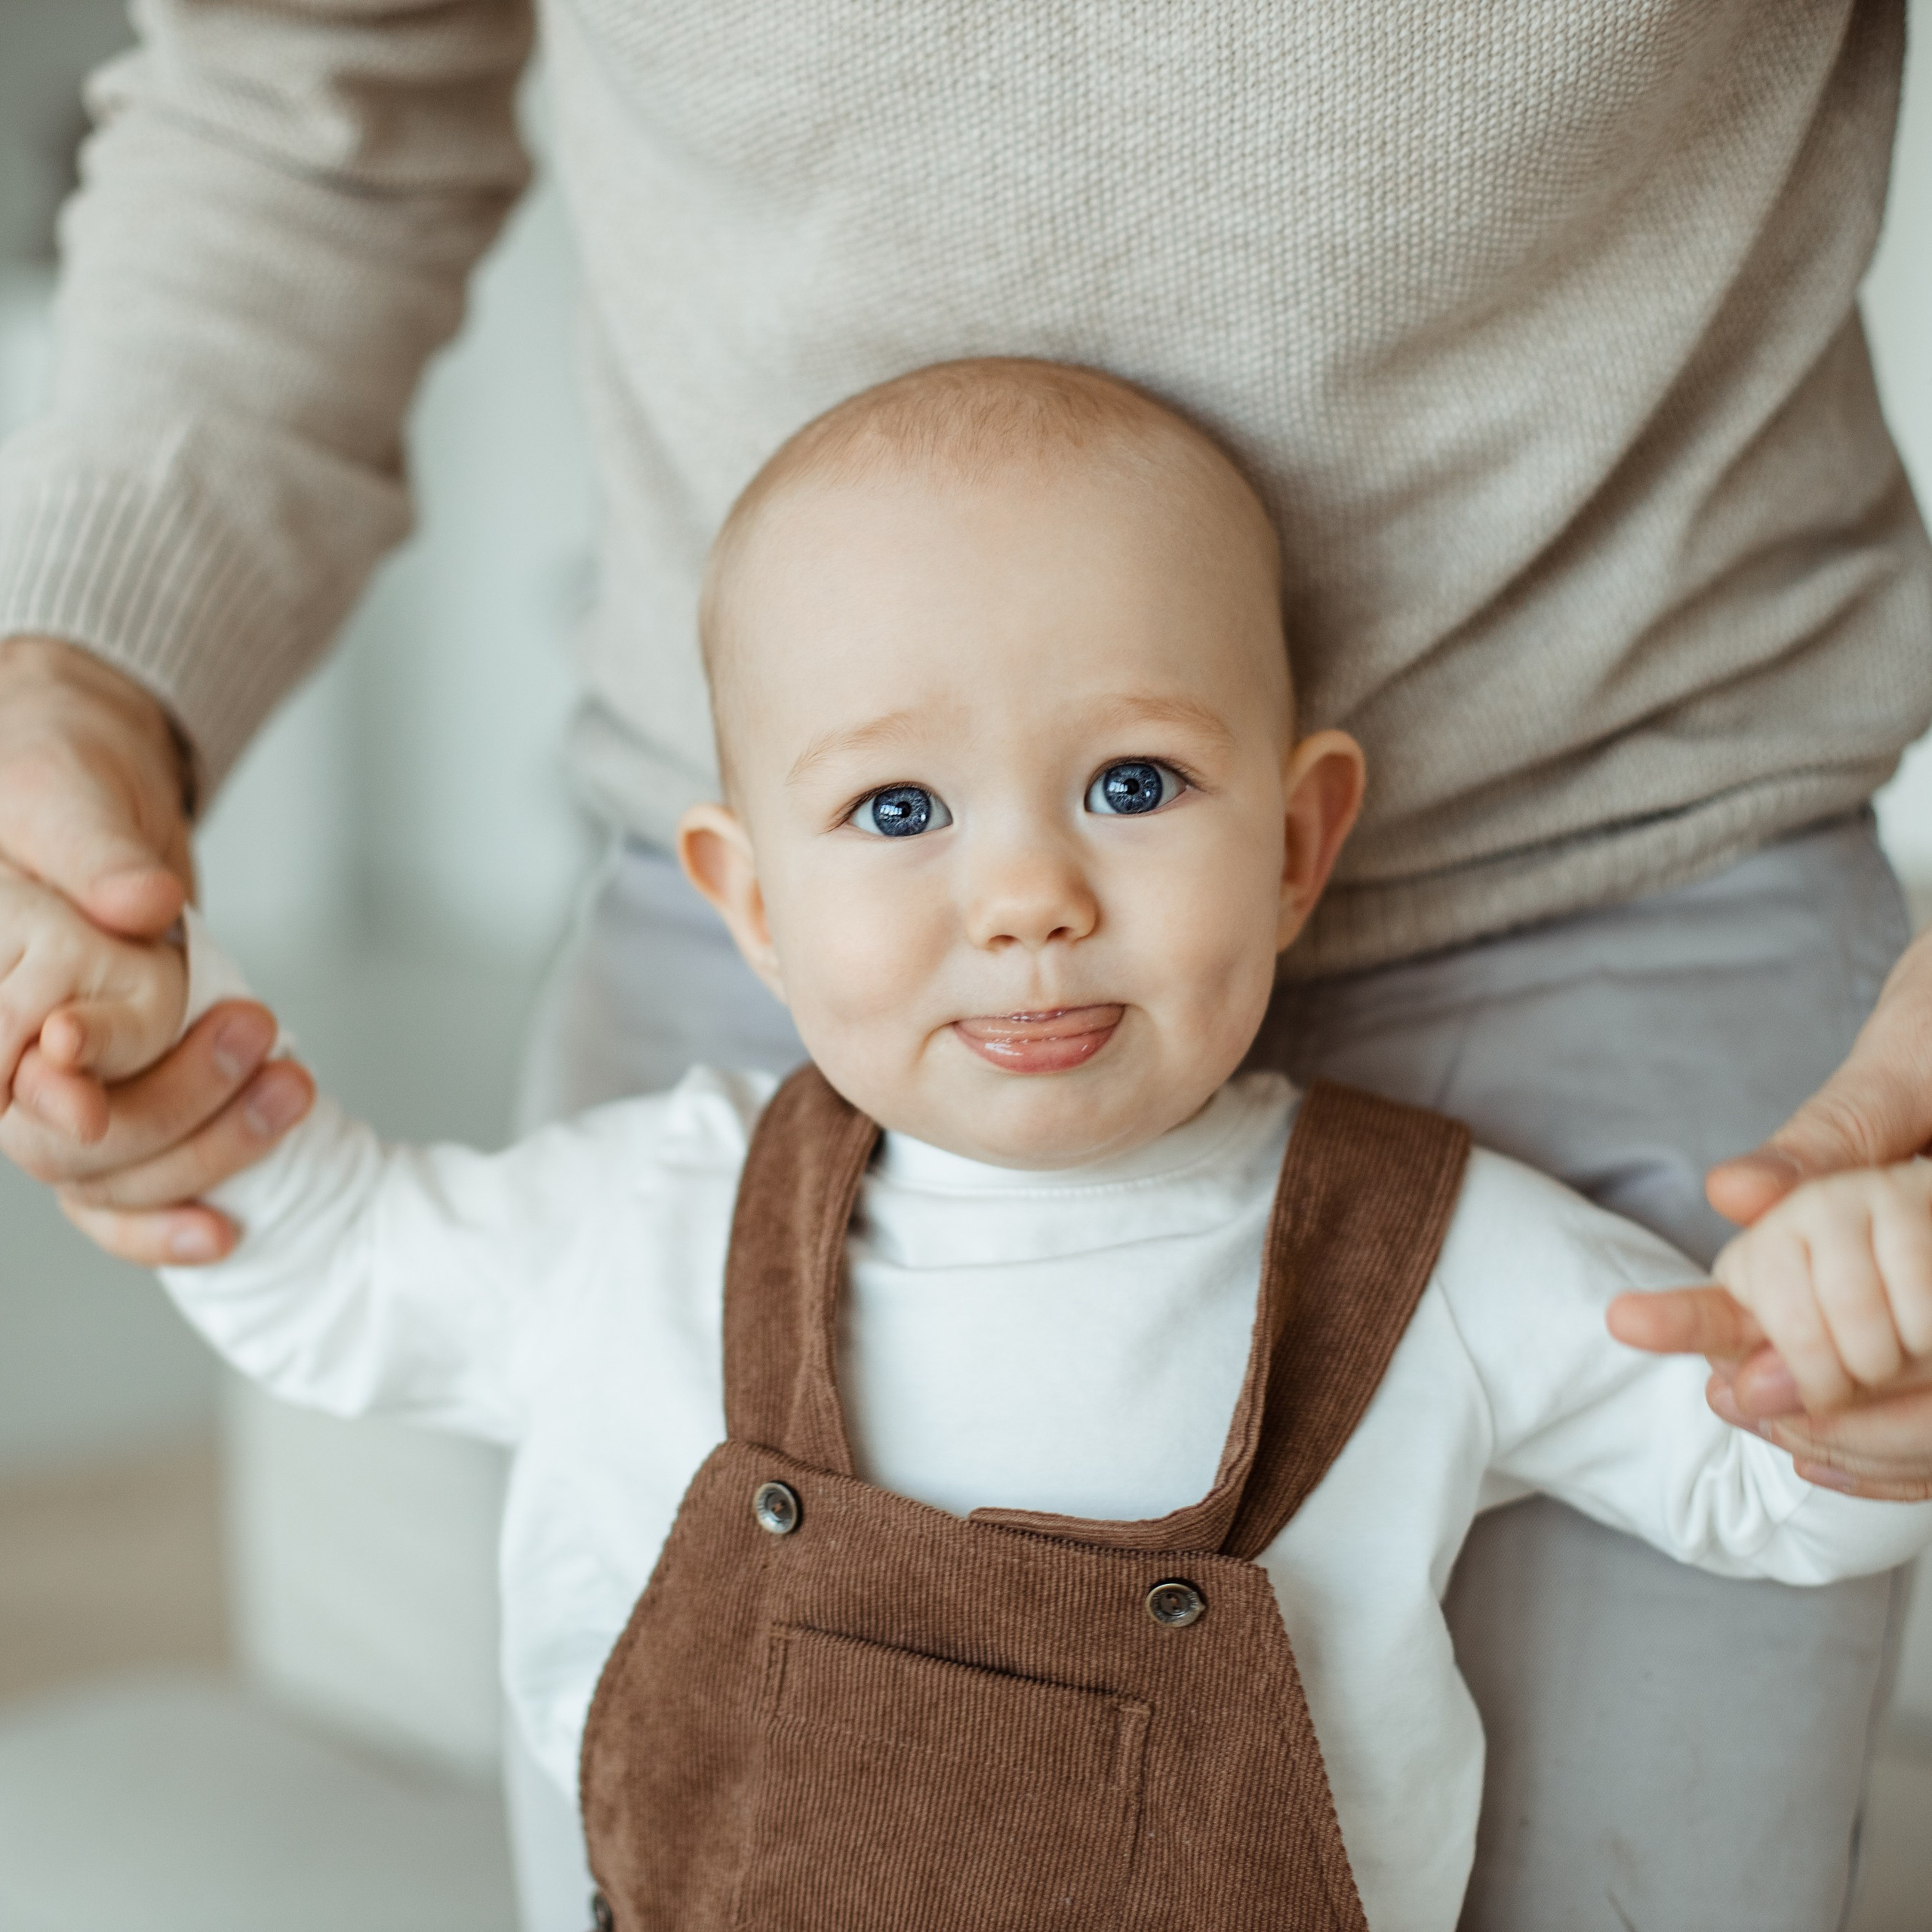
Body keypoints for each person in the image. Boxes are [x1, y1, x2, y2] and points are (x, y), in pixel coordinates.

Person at [1, 8, 1929, 1927]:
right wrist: (165, 1072)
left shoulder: (1456, 1261)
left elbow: (1765, 1481)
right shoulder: (662, 1216)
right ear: (742, 900)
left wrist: (1859, 1347)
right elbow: (348, 1268)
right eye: (901, 811)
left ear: (1290, 841)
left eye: (1126, 779)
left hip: (1652, 819)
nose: (1023, 895)